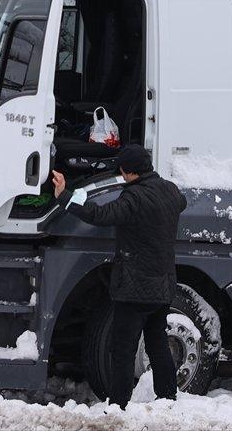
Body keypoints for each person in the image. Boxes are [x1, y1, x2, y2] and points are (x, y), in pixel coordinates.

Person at [51, 143, 188, 409]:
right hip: (162, 285)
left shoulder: (133, 198)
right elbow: (180, 202)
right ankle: (168, 399)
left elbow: (99, 214)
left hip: (135, 289)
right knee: (157, 344)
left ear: (128, 171)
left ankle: (119, 405)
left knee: (122, 350)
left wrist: (65, 196)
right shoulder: (170, 191)